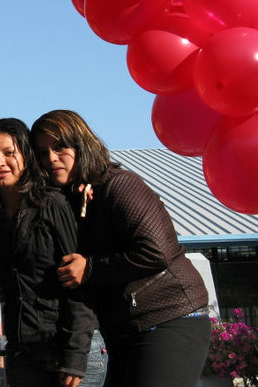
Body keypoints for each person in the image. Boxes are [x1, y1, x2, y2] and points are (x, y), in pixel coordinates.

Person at [30, 110, 210, 387]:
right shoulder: (72, 200)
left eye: (60, 146)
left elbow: (156, 251)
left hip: (171, 316)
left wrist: (90, 268)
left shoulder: (119, 184)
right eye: (42, 153)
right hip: (125, 329)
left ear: (81, 144)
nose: (51, 158)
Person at [0, 118, 95, 387]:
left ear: (26, 156)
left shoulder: (53, 204)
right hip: (20, 350)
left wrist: (75, 354)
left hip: (63, 348)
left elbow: (80, 285)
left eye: (8, 153)